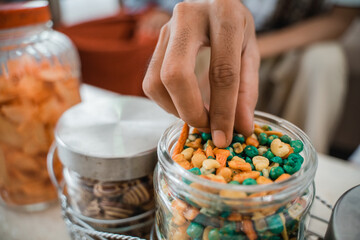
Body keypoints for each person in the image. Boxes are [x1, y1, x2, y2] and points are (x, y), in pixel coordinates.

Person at [142, 0, 360, 150]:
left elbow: (340, 19)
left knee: (326, 59)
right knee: (196, 57)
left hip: (295, 45)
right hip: (222, 34)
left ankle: (303, 165)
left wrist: (251, 48)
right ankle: (195, 146)